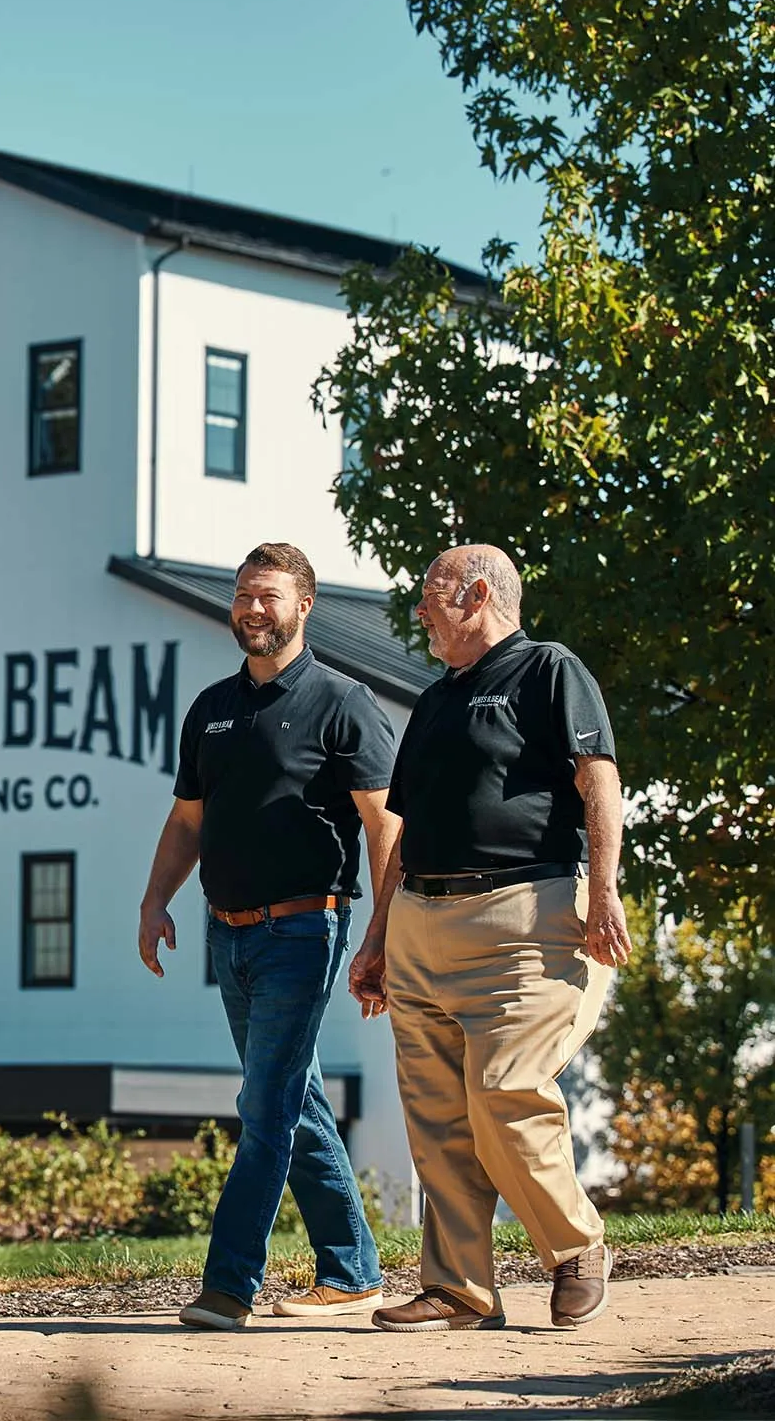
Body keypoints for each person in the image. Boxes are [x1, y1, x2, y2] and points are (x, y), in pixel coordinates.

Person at [349, 544, 633, 1333]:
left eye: (431, 594)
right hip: (421, 922)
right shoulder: (436, 699)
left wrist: (603, 889)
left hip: (527, 919)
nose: (419, 610)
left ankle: (576, 1250)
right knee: (436, 1116)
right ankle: (458, 1288)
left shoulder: (548, 670)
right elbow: (407, 829)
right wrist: (377, 936)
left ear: (477, 594)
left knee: (504, 1089)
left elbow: (597, 779)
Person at [138, 541, 401, 1330]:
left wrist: (382, 935)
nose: (254, 608)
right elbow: (188, 822)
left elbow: (385, 827)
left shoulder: (343, 703)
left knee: (264, 1104)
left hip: (305, 929)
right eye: (245, 595)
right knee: (296, 1100)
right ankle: (353, 1271)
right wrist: (155, 901)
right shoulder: (212, 708)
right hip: (230, 937)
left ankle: (228, 1284)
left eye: (270, 596)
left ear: (304, 606)